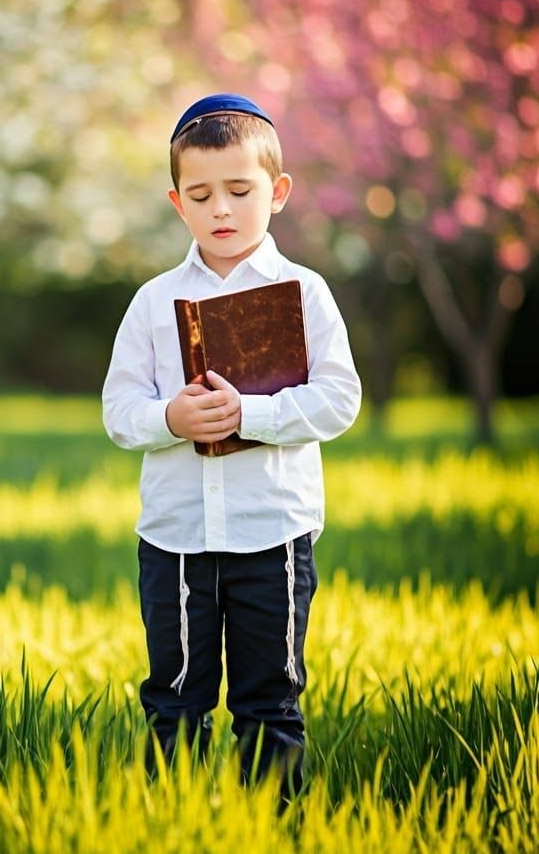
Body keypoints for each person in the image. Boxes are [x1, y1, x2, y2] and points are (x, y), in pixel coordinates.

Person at [101, 93, 362, 798]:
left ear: (276, 192)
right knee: (175, 696)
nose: (221, 209)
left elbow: (339, 399)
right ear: (176, 201)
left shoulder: (303, 292)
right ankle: (175, 823)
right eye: (201, 194)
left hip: (271, 533)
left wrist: (250, 413)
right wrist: (171, 421)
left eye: (240, 191)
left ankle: (270, 827)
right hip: (176, 538)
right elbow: (118, 409)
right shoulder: (153, 301)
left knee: (269, 699)